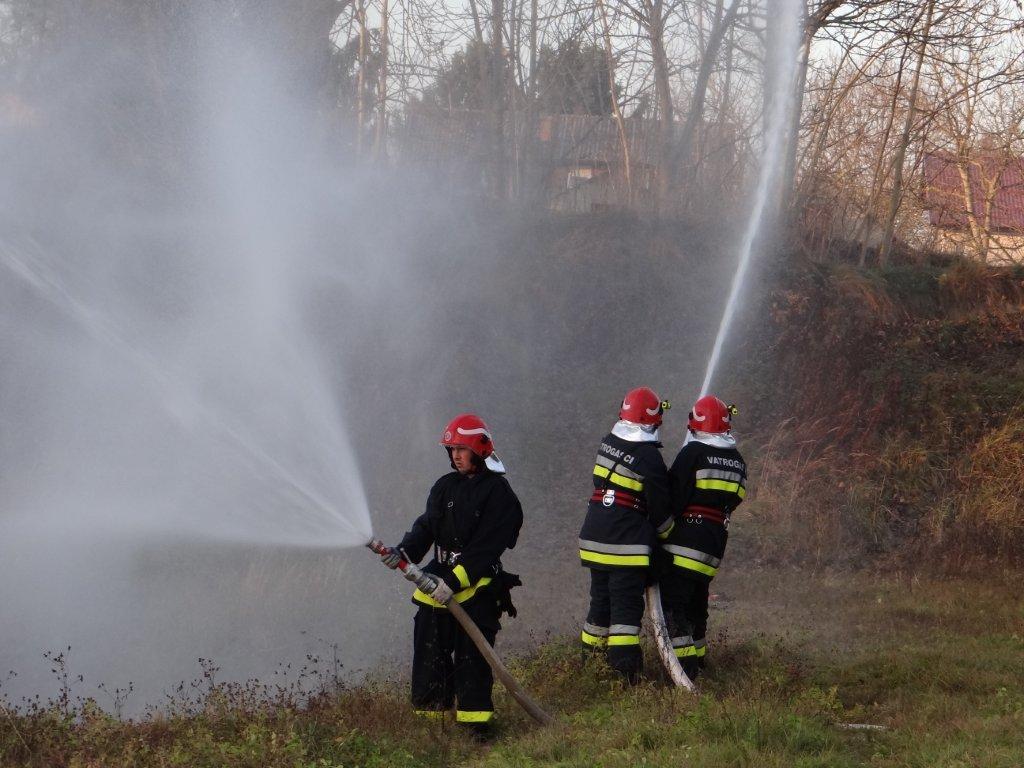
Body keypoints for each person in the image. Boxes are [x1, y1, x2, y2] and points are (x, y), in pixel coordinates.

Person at [380, 413, 523, 735]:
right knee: (429, 658)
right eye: (452, 449)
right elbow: (427, 526)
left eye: (462, 448)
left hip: (477, 590)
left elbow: (487, 548)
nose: (455, 455)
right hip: (435, 586)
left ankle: (477, 731)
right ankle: (432, 730)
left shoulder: (499, 494)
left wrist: (455, 581)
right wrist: (402, 553)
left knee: (473, 661)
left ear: (479, 450)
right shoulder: (445, 487)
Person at [578, 387, 674, 682]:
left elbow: (599, 480)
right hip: (625, 544)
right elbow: (660, 509)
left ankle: (590, 667)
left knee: (600, 604)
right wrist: (666, 532)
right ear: (652, 421)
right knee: (625, 611)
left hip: (595, 537)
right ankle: (624, 675)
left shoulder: (608, 442)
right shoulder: (649, 457)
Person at [660, 395, 746, 680]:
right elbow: (737, 498)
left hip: (685, 542)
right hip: (714, 544)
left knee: (674, 607)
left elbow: (674, 495)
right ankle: (699, 660)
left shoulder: (692, 453)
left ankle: (685, 671)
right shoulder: (737, 460)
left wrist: (660, 527)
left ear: (695, 425)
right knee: (698, 605)